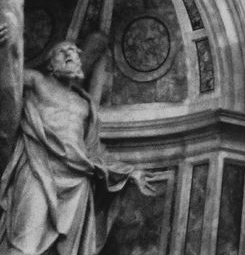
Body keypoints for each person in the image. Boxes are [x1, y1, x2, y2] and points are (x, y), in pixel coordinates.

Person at [0, 28, 156, 255]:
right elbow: (7, 80)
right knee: (24, 244)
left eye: (74, 53)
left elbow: (93, 151)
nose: (70, 56)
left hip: (77, 179)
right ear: (50, 64)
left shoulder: (85, 105)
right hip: (38, 166)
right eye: (63, 52)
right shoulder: (37, 81)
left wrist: (130, 172)